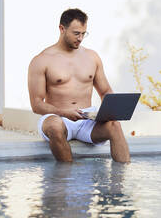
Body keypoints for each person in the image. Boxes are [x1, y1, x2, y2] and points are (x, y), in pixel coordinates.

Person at [28, 8, 130, 163]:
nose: (81, 38)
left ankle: (122, 181)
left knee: (115, 126)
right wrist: (64, 112)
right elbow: (36, 104)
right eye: (76, 33)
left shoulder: (92, 57)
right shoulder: (42, 60)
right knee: (55, 127)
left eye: (84, 33)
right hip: (57, 117)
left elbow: (105, 90)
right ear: (62, 29)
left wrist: (110, 110)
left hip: (87, 119)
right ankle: (69, 176)